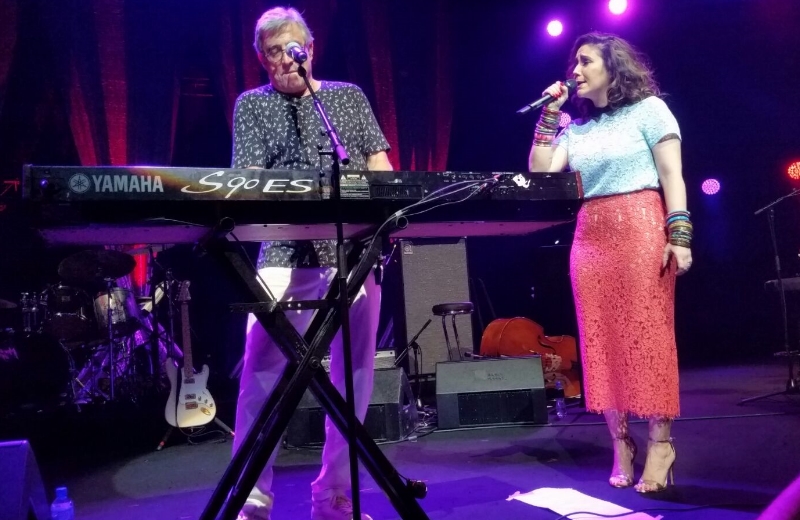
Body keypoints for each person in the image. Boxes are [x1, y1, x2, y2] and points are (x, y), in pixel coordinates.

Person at [231, 7, 392, 520]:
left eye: (291, 49)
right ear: (261, 58)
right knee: (261, 374)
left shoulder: (345, 99)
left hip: (351, 255)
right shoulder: (251, 106)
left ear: (310, 50)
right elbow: (247, 181)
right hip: (281, 254)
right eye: (273, 52)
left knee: (356, 376)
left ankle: (335, 495)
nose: (284, 60)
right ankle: (252, 499)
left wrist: (382, 207)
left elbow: (379, 167)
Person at [528, 32, 692, 493]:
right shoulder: (575, 128)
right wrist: (549, 114)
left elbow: (671, 175)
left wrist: (679, 235)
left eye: (584, 62)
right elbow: (541, 172)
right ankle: (621, 443)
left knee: (649, 336)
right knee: (600, 341)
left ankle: (661, 443)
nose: (574, 71)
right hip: (591, 236)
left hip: (641, 227)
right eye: (573, 63)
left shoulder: (650, 110)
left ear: (612, 66)